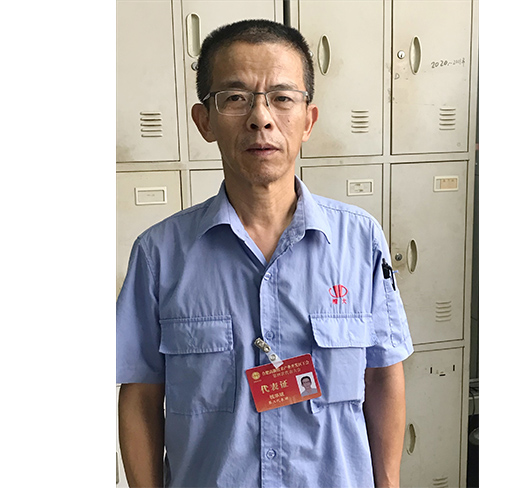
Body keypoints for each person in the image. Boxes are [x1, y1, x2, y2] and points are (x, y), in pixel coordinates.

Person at [117, 19, 413, 488]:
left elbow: (383, 375)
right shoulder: (159, 255)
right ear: (204, 121)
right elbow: (140, 397)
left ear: (308, 120)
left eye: (282, 97)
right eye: (235, 98)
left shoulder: (360, 240)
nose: (261, 117)